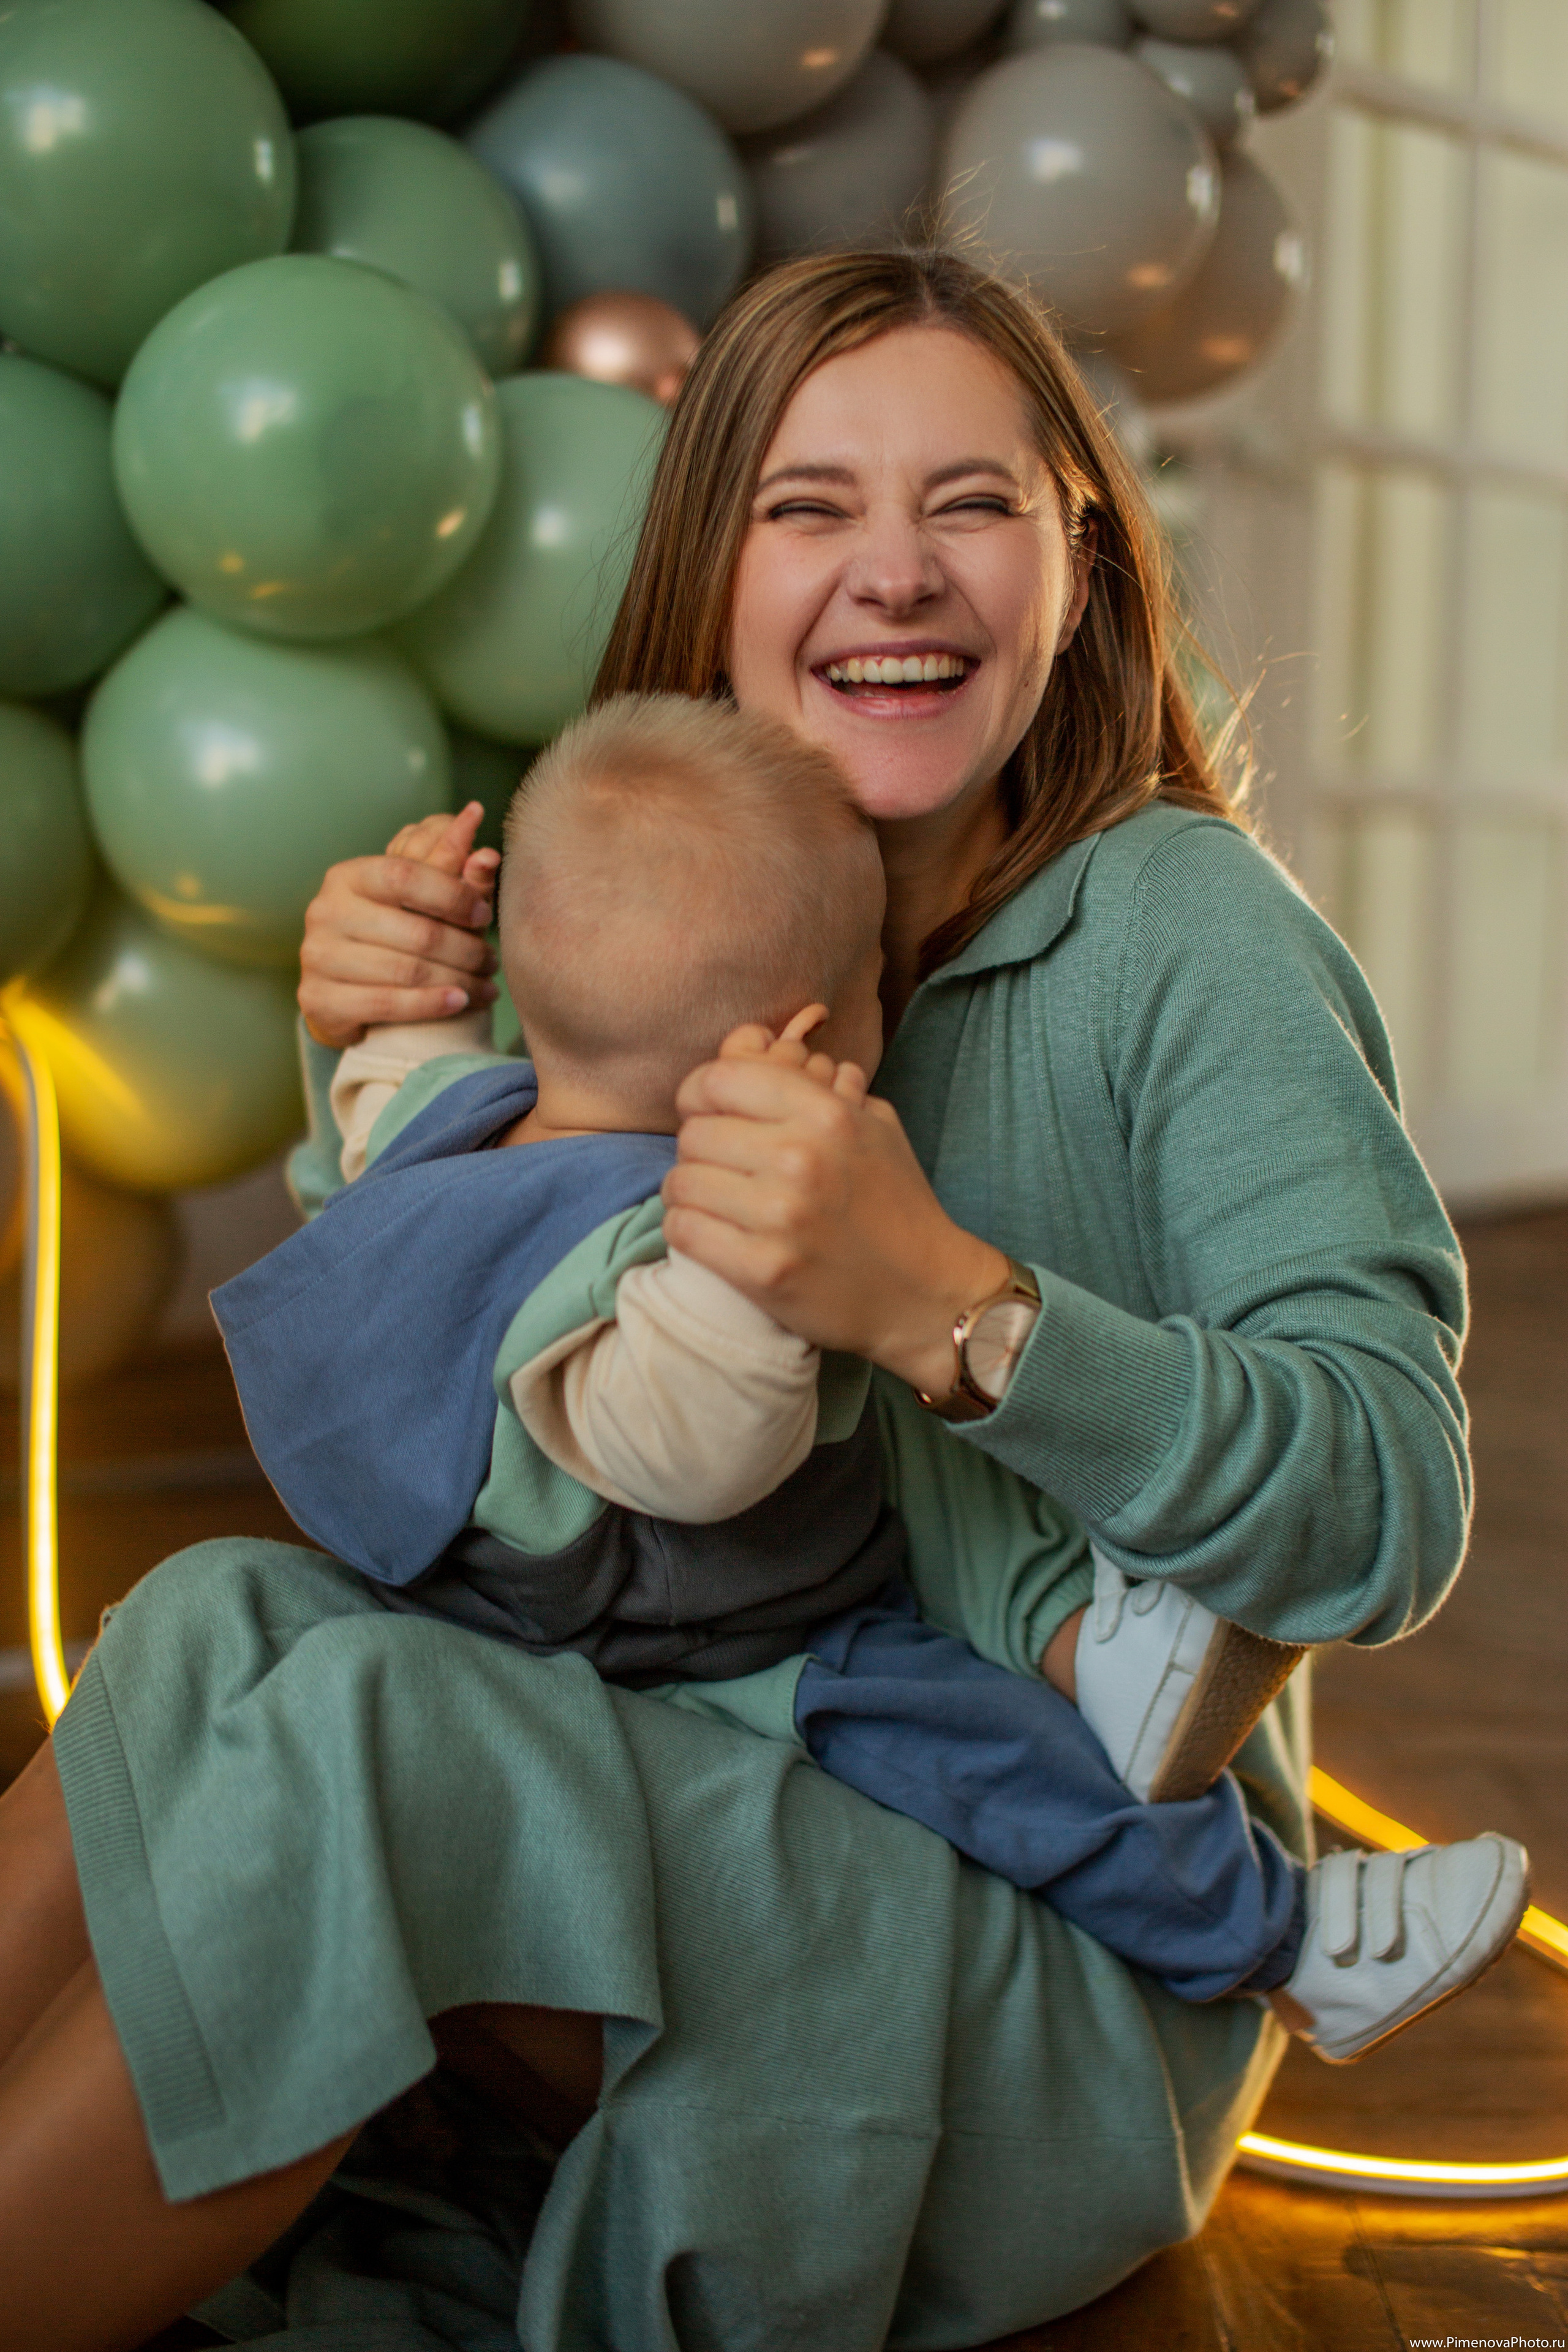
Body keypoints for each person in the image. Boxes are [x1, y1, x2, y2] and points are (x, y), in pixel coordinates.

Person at [0, 249, 1493, 2351]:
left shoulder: (1186, 933)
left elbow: (1390, 1496)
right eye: (811, 509)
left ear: (1077, 561)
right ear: (711, 573)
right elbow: (529, 1386)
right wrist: (378, 1073)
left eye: (968, 502)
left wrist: (964, 1317)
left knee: (360, 1724)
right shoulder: (680, 878)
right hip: (688, 1764)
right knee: (216, 1625)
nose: (895, 571)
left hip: (1044, 1928)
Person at [216, 686, 1524, 2043]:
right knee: (997, 1759)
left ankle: (1088, 1647)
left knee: (910, 1430)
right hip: (718, 1645)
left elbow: (385, 1084)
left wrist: (410, 994)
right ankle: (1286, 1942)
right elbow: (688, 1455)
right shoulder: (657, 1259)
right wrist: (755, 1284)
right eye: (868, 987)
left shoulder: (450, 1115)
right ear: (812, 1041)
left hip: (502, 1621)